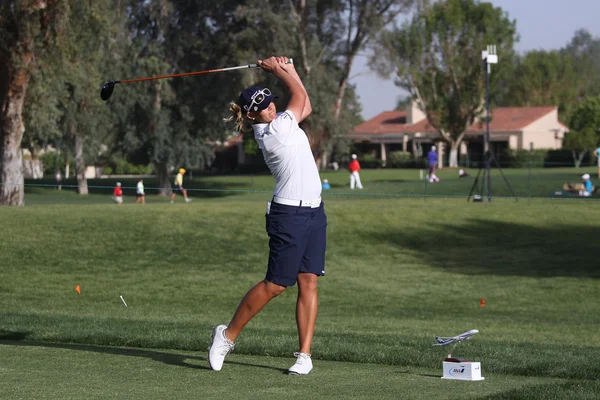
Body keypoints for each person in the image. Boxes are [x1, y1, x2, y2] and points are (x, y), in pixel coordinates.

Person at [212, 56, 326, 375]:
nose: (271, 108)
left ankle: (304, 355)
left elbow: (307, 104)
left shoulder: (284, 123)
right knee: (276, 285)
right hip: (288, 215)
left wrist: (288, 71)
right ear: (252, 115)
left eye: (271, 102)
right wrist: (281, 71)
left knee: (309, 281)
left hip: (315, 211)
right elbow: (301, 98)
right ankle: (227, 335)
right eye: (263, 107)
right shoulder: (273, 133)